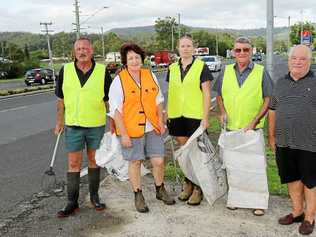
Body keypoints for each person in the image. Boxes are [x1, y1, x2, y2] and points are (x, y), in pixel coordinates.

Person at [108, 43, 175, 213]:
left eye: (137, 57)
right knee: (135, 161)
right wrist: (123, 135)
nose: (134, 60)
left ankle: (160, 189)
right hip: (130, 130)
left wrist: (160, 120)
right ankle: (138, 194)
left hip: (152, 127)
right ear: (125, 61)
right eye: (130, 58)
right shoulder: (119, 81)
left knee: (158, 160)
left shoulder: (149, 75)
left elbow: (158, 99)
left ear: (142, 59)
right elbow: (115, 110)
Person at [213, 36, 273, 216]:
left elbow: (268, 99)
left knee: (254, 167)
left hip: (252, 130)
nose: (241, 53)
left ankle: (258, 202)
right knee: (234, 167)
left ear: (251, 51)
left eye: (245, 50)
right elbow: (219, 96)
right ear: (233, 52)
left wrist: (254, 121)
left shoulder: (261, 72)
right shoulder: (226, 71)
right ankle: (236, 199)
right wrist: (222, 112)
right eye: (238, 50)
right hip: (231, 129)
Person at [54, 37, 112, 218]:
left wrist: (115, 124)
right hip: (73, 125)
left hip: (96, 125)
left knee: (95, 161)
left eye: (85, 48)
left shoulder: (103, 71)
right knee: (73, 163)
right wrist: (59, 121)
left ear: (91, 50)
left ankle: (94, 197)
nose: (82, 51)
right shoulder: (65, 70)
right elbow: (60, 99)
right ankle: (72, 202)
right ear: (74, 52)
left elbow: (108, 101)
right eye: (78, 49)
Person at [268, 45, 316, 235]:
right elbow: (272, 110)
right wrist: (271, 137)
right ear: (289, 60)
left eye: (302, 59)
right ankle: (297, 212)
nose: (297, 62)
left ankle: (309, 217)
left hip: (310, 144)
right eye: (294, 58)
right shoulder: (280, 83)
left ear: (309, 61)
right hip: (285, 142)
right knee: (292, 179)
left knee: (310, 182)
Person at [166, 34, 212, 205]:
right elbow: (171, 92)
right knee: (185, 153)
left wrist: (205, 118)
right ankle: (189, 184)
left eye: (188, 46)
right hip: (177, 116)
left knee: (197, 154)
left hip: (196, 117)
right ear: (178, 48)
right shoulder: (172, 68)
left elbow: (207, 93)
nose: (185, 49)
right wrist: (167, 114)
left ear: (194, 48)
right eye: (182, 46)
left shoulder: (201, 67)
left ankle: (199, 188)